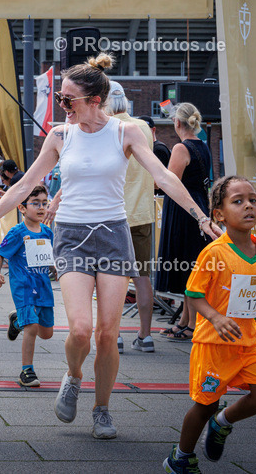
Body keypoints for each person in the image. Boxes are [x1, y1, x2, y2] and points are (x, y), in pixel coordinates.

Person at [0, 53, 219, 440]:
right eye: (60, 97)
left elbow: (163, 177)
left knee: (108, 334)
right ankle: (73, 376)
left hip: (113, 235)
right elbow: (23, 186)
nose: (61, 104)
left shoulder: (127, 133)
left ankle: (102, 409)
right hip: (72, 235)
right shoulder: (60, 135)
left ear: (94, 100)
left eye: (67, 98)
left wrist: (201, 217)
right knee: (81, 330)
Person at [162, 176, 256, 473]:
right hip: (213, 345)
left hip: (246, 342)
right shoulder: (214, 252)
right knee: (205, 405)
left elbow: (248, 291)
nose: (248, 206)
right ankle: (180, 458)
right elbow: (193, 293)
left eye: (253, 199)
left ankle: (222, 423)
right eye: (238, 201)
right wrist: (215, 317)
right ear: (219, 215)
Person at [106, 81, 157, 354]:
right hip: (142, 212)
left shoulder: (107, 128)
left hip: (113, 214)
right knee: (142, 277)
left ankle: (114, 335)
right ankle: (146, 336)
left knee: (111, 278)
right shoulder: (144, 127)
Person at [156, 103, 213, 342]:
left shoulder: (181, 148)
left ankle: (191, 324)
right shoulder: (204, 146)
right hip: (198, 204)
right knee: (192, 266)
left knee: (188, 267)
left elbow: (169, 183)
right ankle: (184, 321)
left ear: (177, 123)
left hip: (184, 209)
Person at [0, 185, 55, 387]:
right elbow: (0, 253)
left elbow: (48, 256)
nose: (41, 207)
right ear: (22, 208)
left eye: (44, 203)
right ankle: (26, 371)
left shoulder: (47, 232)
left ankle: (17, 321)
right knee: (32, 327)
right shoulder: (17, 232)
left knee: (46, 333)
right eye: (35, 203)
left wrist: (54, 267)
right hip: (24, 287)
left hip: (43, 287)